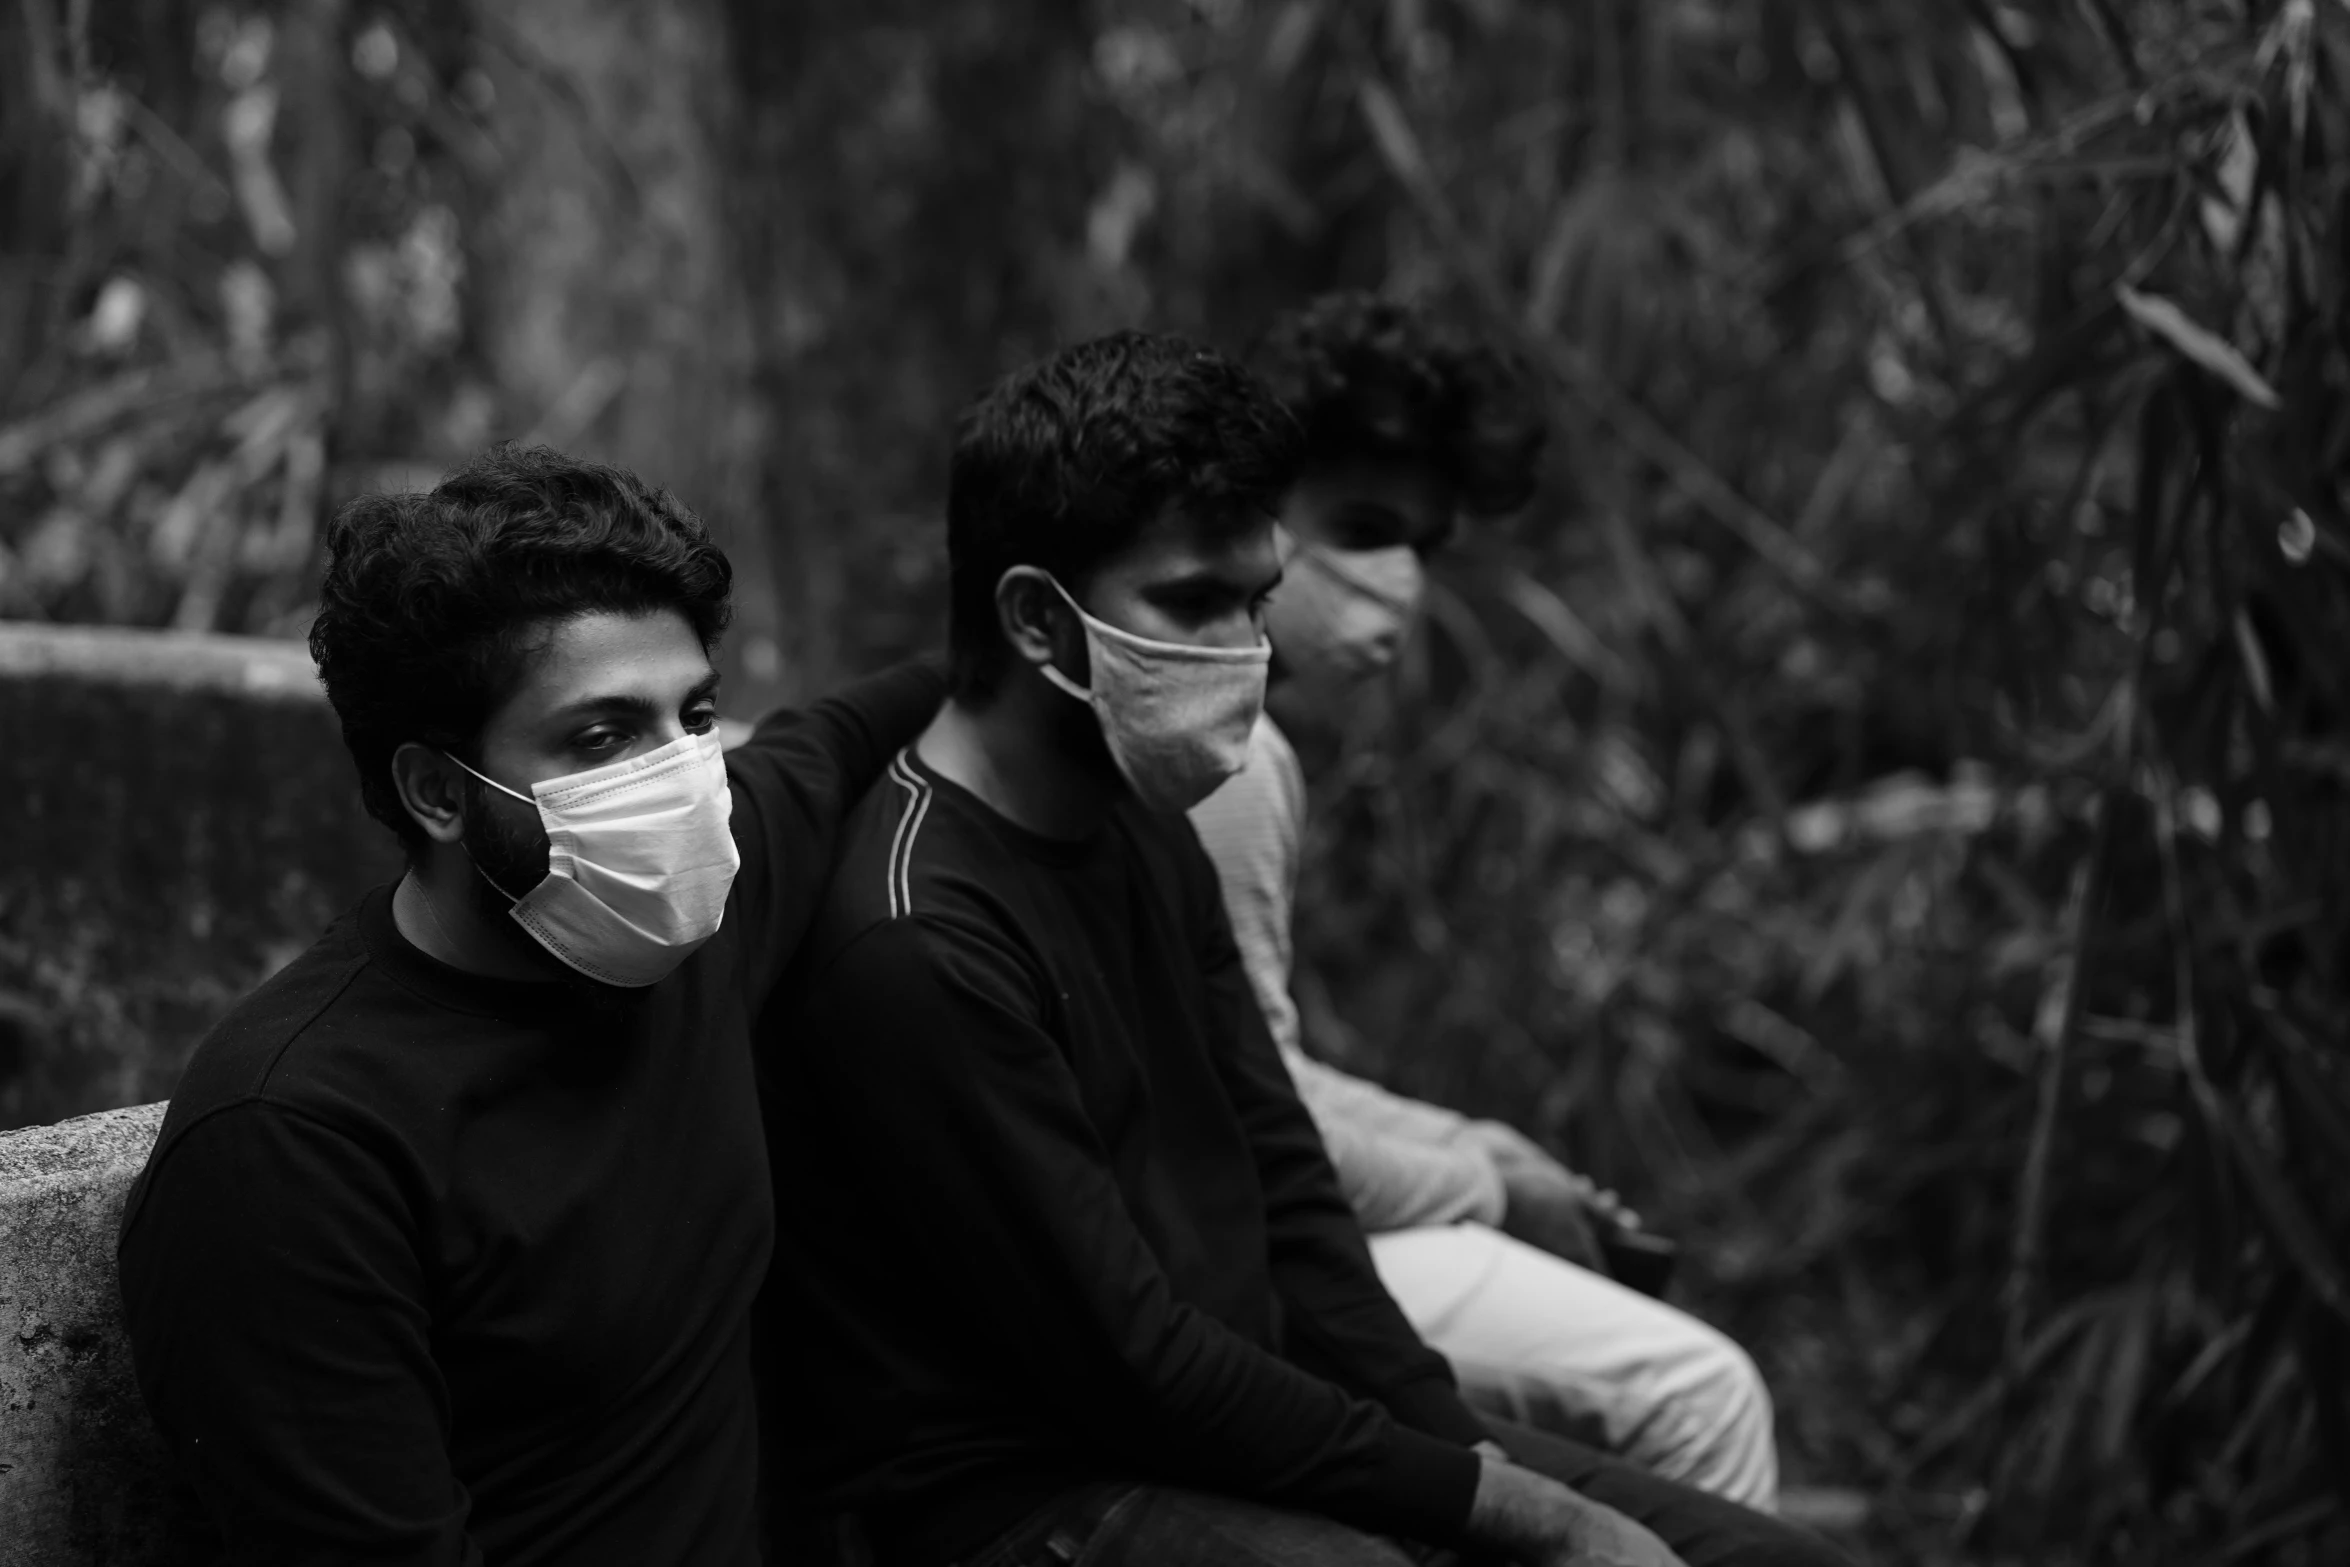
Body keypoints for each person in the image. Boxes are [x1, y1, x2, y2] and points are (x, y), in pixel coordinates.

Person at [757, 331, 1842, 1567]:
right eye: (1190, 603)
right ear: (1037, 624)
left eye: (1255, 600)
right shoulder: (918, 939)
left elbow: (1288, 1190)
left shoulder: (1140, 830)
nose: (1242, 649)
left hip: (1221, 1418)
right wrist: (1511, 1514)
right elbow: (1135, 1359)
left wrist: (1457, 1452)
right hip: (1026, 1493)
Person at [116, 444, 941, 1564]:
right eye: (602, 737)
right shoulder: (294, 1142)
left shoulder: (688, 921)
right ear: (440, 791)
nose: (684, 782)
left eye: (696, 714)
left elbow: (838, 738)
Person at [1188, 292, 1779, 1510]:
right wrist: (1500, 1193)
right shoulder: (1224, 749)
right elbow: (1250, 1127)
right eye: (1358, 526)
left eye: (1421, 541)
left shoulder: (1238, 738)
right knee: (1700, 1391)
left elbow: (1252, 1055)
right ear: (1254, 514)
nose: (1395, 578)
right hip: (1206, 1257)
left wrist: (1474, 1147)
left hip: (1208, 1224)